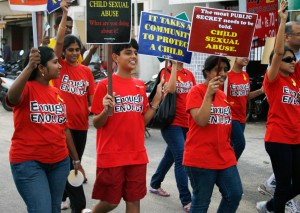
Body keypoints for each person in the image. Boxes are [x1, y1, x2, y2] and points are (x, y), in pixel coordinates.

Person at [89, 38, 164, 213]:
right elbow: (96, 123)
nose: (134, 56)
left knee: (134, 201)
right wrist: (106, 109)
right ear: (115, 57)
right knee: (111, 202)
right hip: (112, 155)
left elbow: (142, 121)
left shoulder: (139, 85)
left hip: (137, 156)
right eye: (128, 52)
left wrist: (157, 100)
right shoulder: (103, 86)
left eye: (136, 53)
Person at [7, 46, 82, 213]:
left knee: (54, 209)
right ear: (41, 68)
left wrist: (75, 160)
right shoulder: (26, 88)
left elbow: (65, 129)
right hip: (29, 163)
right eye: (55, 62)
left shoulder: (57, 93)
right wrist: (28, 67)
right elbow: (12, 97)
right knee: (41, 209)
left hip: (59, 163)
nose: (60, 65)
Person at [256, 1, 300, 212]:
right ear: (277, 61)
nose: (293, 62)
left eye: (294, 59)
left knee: (297, 183)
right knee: (283, 184)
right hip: (278, 138)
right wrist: (282, 21)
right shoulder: (272, 80)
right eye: (288, 59)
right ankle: (275, 208)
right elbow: (280, 52)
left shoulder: (295, 79)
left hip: (296, 138)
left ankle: (269, 206)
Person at [183, 55, 243, 213]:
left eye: (225, 69)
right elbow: (201, 121)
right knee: (201, 203)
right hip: (201, 158)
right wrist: (209, 94)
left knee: (234, 194)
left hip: (224, 157)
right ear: (207, 72)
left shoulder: (223, 96)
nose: (222, 73)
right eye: (218, 69)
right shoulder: (196, 91)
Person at [52, 1, 95, 212]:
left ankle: (63, 196)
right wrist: (65, 13)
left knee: (74, 165)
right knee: (69, 164)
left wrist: (95, 109)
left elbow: (91, 98)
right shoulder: (60, 68)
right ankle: (77, 203)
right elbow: (58, 42)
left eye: (77, 50)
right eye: (70, 49)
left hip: (81, 126)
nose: (73, 53)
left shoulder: (86, 72)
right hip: (62, 127)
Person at [149, 60, 195, 212]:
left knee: (170, 155)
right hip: (171, 122)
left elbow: (193, 95)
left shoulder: (189, 74)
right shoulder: (166, 72)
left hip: (187, 123)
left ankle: (155, 184)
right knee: (181, 158)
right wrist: (174, 66)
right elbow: (171, 89)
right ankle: (186, 200)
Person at [226, 57, 264, 160]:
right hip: (230, 116)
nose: (246, 58)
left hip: (242, 116)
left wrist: (260, 91)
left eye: (247, 55)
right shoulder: (226, 76)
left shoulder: (245, 75)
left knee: (230, 145)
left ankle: (224, 168)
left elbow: (246, 96)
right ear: (235, 57)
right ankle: (229, 167)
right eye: (242, 55)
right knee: (240, 144)